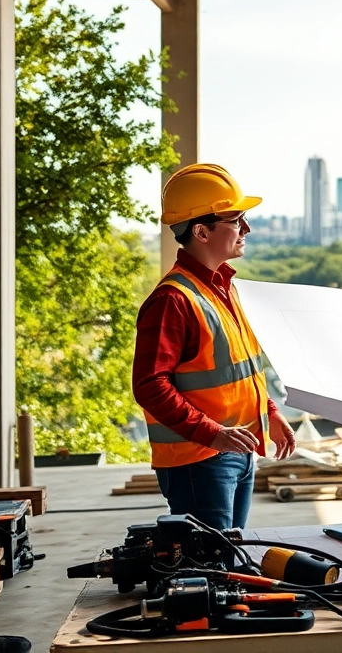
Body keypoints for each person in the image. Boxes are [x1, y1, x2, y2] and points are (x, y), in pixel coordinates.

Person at [133, 163, 297, 530]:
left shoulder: (224, 290)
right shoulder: (172, 300)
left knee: (230, 555)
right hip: (199, 460)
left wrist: (269, 412)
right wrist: (213, 434)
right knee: (210, 560)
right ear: (202, 231)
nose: (246, 228)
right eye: (236, 220)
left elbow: (242, 370)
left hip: (236, 450)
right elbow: (149, 385)